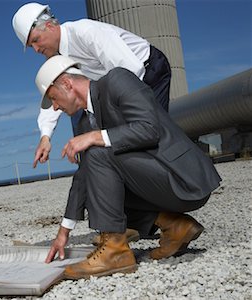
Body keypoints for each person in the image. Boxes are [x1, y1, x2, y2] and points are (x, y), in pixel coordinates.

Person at [34, 55, 221, 279]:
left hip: (183, 177)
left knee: (97, 154)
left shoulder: (117, 80)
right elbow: (83, 178)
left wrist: (95, 137)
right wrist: (63, 233)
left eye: (54, 99)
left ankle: (115, 252)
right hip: (157, 182)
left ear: (66, 83)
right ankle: (175, 227)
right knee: (98, 181)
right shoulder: (86, 122)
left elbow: (149, 129)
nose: (55, 107)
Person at [12, 3, 172, 240]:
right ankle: (130, 222)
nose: (35, 49)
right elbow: (54, 95)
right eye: (30, 46)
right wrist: (46, 136)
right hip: (109, 89)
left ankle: (170, 213)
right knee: (98, 149)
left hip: (147, 72)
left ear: (49, 25)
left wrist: (113, 125)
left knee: (140, 142)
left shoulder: (86, 32)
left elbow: (130, 69)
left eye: (35, 40)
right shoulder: (57, 59)